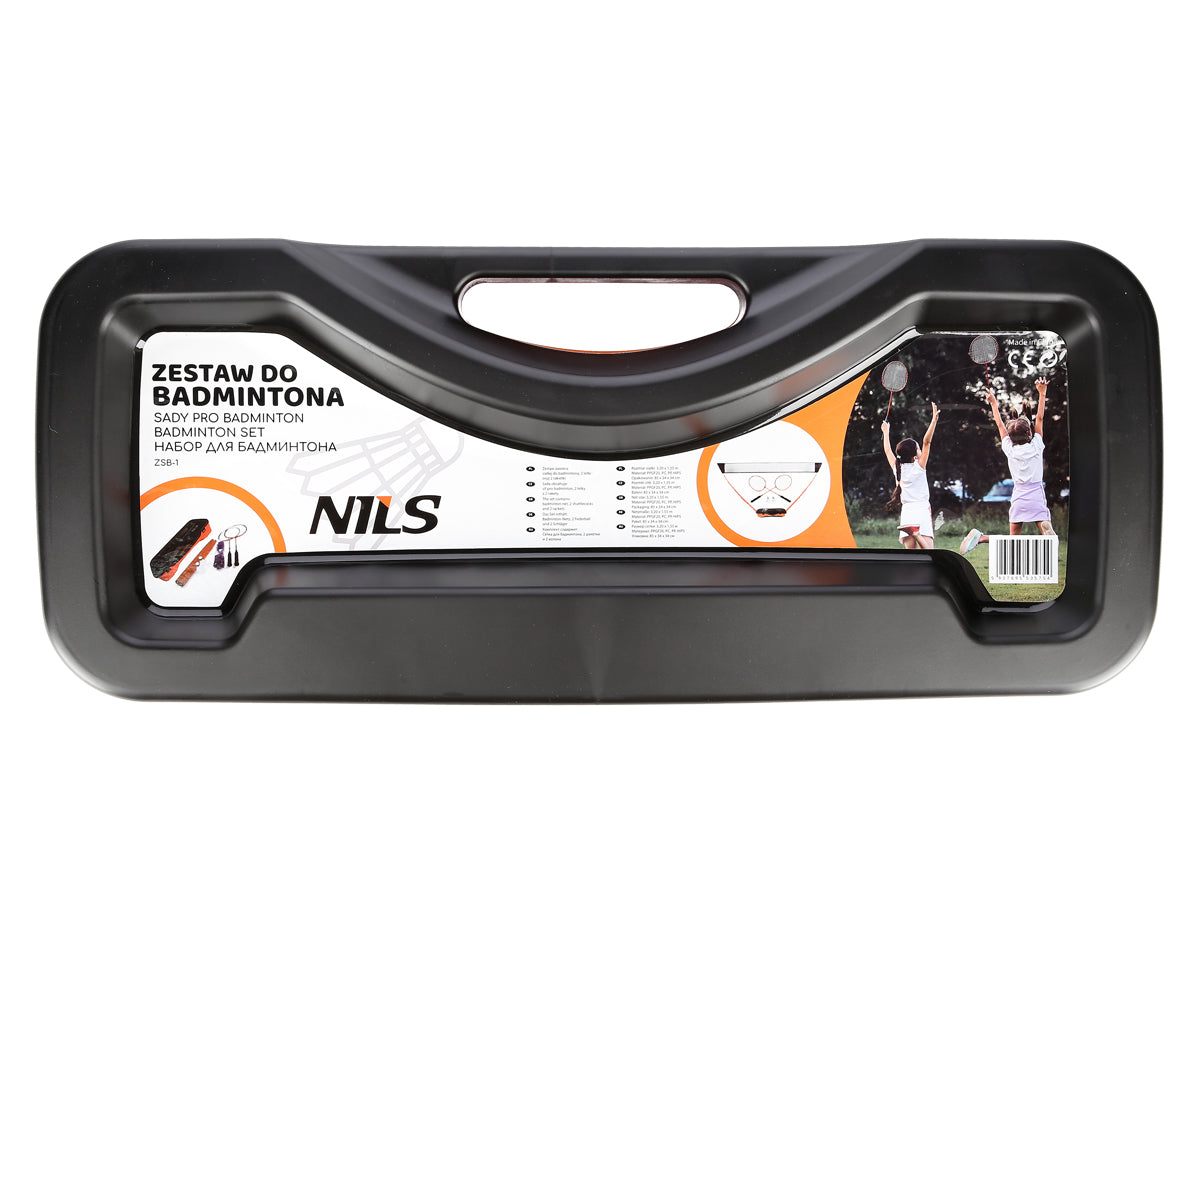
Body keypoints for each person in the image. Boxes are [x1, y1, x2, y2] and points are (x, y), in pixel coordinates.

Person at [960, 376, 1054, 553]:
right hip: (1036, 494)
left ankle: (982, 538)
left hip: (1018, 496)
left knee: (1013, 540)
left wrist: (993, 403)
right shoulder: (1036, 446)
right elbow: (1040, 419)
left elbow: (1000, 425)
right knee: (1049, 540)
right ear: (1030, 433)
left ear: (1010, 438)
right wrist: (1042, 394)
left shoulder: (1009, 449)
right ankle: (1047, 532)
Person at [882, 403, 939, 549]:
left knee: (911, 555)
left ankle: (913, 532)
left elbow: (888, 450)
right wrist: (933, 420)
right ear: (914, 456)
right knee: (930, 552)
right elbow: (927, 442)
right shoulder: (919, 467)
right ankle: (916, 534)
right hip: (921, 509)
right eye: (918, 449)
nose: (921, 450)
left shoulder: (897, 468)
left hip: (907, 512)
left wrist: (886, 432)